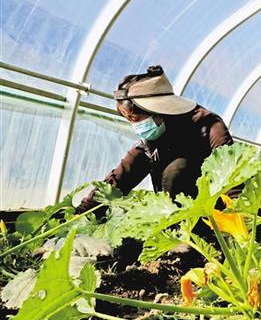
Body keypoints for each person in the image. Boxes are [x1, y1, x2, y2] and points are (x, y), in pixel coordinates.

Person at [76, 65, 234, 212]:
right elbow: (119, 180)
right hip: (170, 218)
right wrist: (80, 213)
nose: (134, 126)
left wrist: (237, 220)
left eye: (135, 119)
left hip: (213, 218)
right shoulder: (151, 142)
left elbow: (233, 179)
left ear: (159, 112)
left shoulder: (209, 127)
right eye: (129, 120)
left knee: (176, 170)